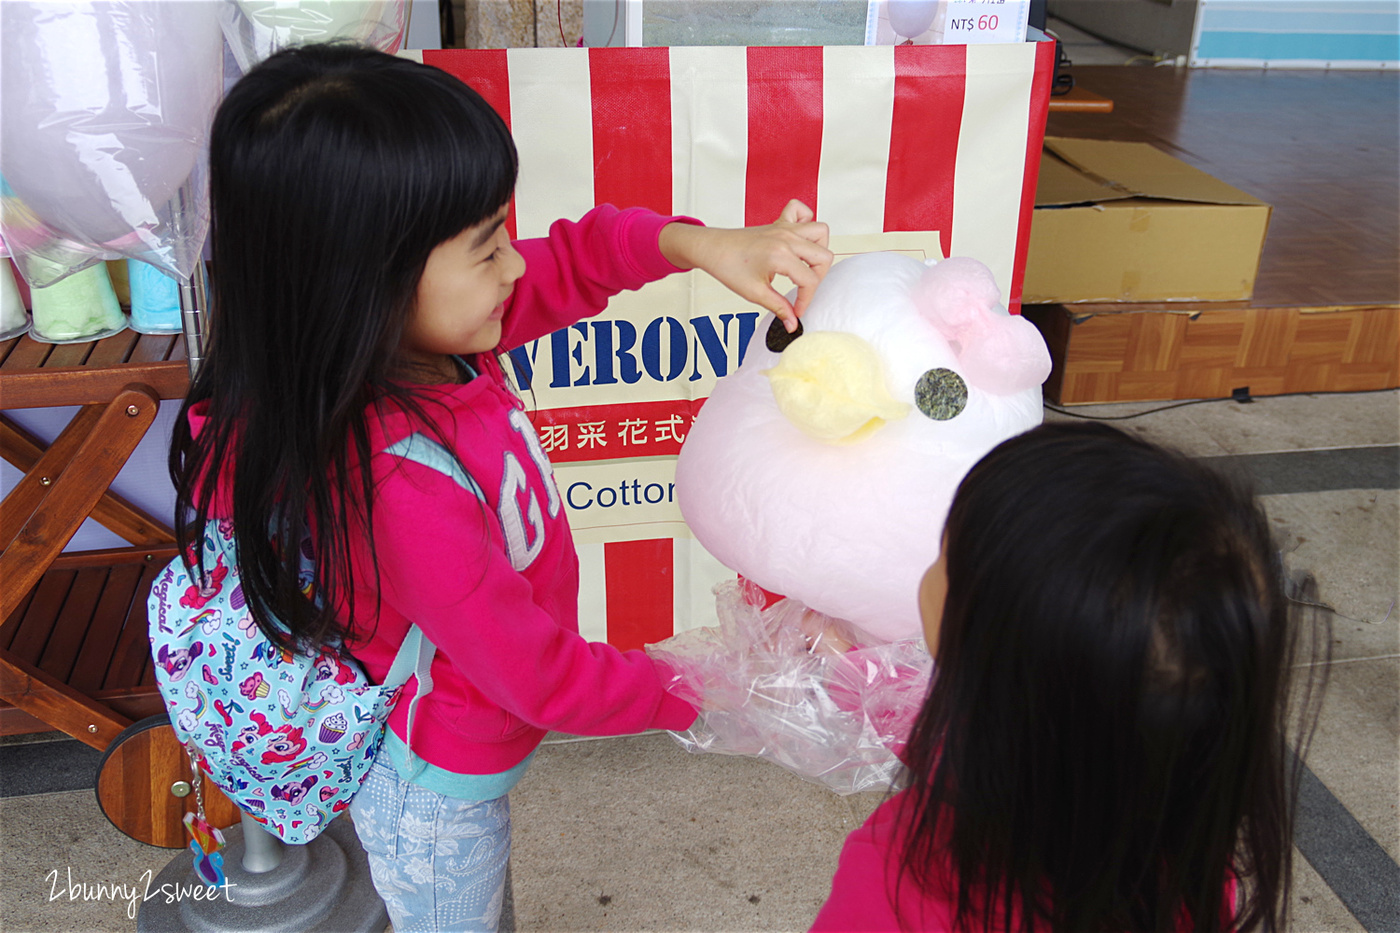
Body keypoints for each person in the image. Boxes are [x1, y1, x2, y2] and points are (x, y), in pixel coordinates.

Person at [169, 43, 831, 932]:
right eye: (485, 249)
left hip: (453, 735)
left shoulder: (420, 342)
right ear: (364, 281)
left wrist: (696, 245)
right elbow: (538, 674)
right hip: (434, 782)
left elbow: (575, 260)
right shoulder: (398, 483)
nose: (514, 267)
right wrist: (712, 685)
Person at [811, 422, 1328, 933]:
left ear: (984, 638)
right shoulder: (1191, 871)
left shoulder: (898, 881)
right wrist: (856, 672)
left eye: (946, 554)